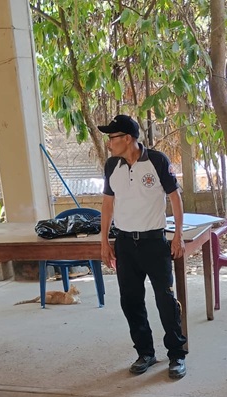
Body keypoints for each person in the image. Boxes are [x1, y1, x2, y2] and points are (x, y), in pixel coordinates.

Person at [98, 115, 187, 379]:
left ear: (127, 138)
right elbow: (107, 204)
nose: (109, 143)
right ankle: (145, 353)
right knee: (131, 301)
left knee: (166, 301)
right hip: (125, 244)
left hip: (154, 243)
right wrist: (104, 241)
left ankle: (176, 355)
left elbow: (175, 197)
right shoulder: (112, 165)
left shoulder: (157, 161)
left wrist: (178, 235)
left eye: (112, 138)